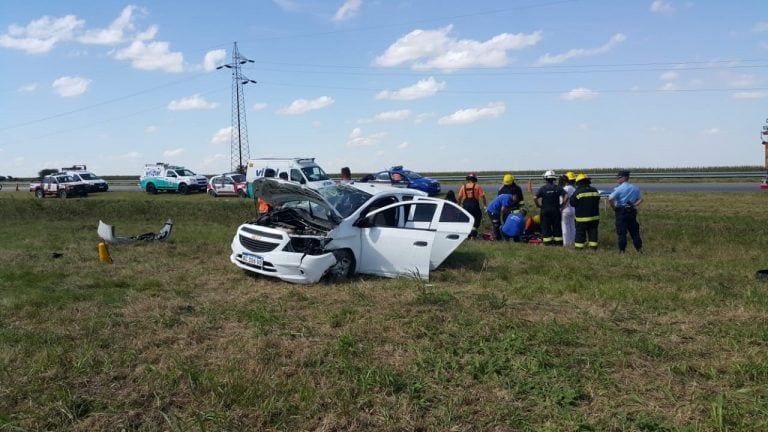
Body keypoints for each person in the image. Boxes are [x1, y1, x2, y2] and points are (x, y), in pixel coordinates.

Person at [608, 170, 643, 254]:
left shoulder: (619, 188)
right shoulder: (635, 188)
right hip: (632, 211)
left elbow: (610, 198)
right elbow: (641, 199)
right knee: (634, 232)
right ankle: (639, 250)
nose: (617, 179)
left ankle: (622, 251)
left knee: (622, 232)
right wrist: (634, 205)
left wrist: (614, 208)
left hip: (621, 211)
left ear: (623, 178)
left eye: (618, 178)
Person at [534, 170, 566, 246]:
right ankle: (558, 243)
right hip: (556, 210)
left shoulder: (542, 188)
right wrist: (562, 204)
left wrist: (538, 205)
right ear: (554, 179)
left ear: (545, 178)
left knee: (546, 227)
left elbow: (535, 197)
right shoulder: (558, 188)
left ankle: (548, 243)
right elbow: (566, 196)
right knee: (557, 227)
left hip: (545, 211)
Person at [570, 173, 601, 250]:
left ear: (578, 182)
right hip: (594, 218)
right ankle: (593, 248)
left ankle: (579, 249)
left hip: (581, 219)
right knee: (593, 234)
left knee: (580, 234)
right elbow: (597, 200)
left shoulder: (578, 192)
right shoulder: (595, 190)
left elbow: (572, 203)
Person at [457, 172, 487, 239]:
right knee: (477, 218)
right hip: (474, 205)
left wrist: (458, 205)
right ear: (474, 179)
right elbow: (483, 196)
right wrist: (485, 206)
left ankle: (467, 235)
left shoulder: (463, 186)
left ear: (468, 179)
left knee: (467, 220)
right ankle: (473, 235)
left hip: (465, 206)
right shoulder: (477, 186)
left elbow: (459, 198)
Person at [560, 172, 577, 247]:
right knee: (572, 227)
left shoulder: (565, 189)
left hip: (565, 210)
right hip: (573, 210)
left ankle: (566, 244)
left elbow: (563, 199)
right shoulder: (574, 189)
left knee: (565, 228)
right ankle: (573, 242)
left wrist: (561, 208)